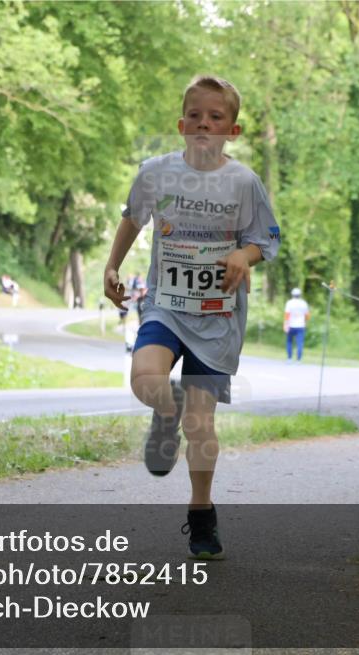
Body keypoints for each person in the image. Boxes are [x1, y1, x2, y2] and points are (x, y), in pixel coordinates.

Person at [103, 75, 280, 559]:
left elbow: (267, 240)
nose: (205, 123)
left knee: (201, 426)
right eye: (196, 116)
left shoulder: (244, 182)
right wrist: (113, 264)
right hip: (166, 304)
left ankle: (201, 513)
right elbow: (134, 217)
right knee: (145, 378)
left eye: (216, 117)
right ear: (181, 125)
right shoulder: (156, 172)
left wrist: (245, 256)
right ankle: (165, 409)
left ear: (233, 131)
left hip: (218, 315)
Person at [283, 287, 310, 362]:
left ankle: (289, 358)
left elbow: (287, 315)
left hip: (291, 325)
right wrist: (305, 321)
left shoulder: (289, 303)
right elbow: (307, 315)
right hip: (301, 325)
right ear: (300, 295)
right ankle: (299, 359)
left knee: (289, 342)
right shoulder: (303, 303)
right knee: (300, 343)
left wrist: (285, 324)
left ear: (292, 295)